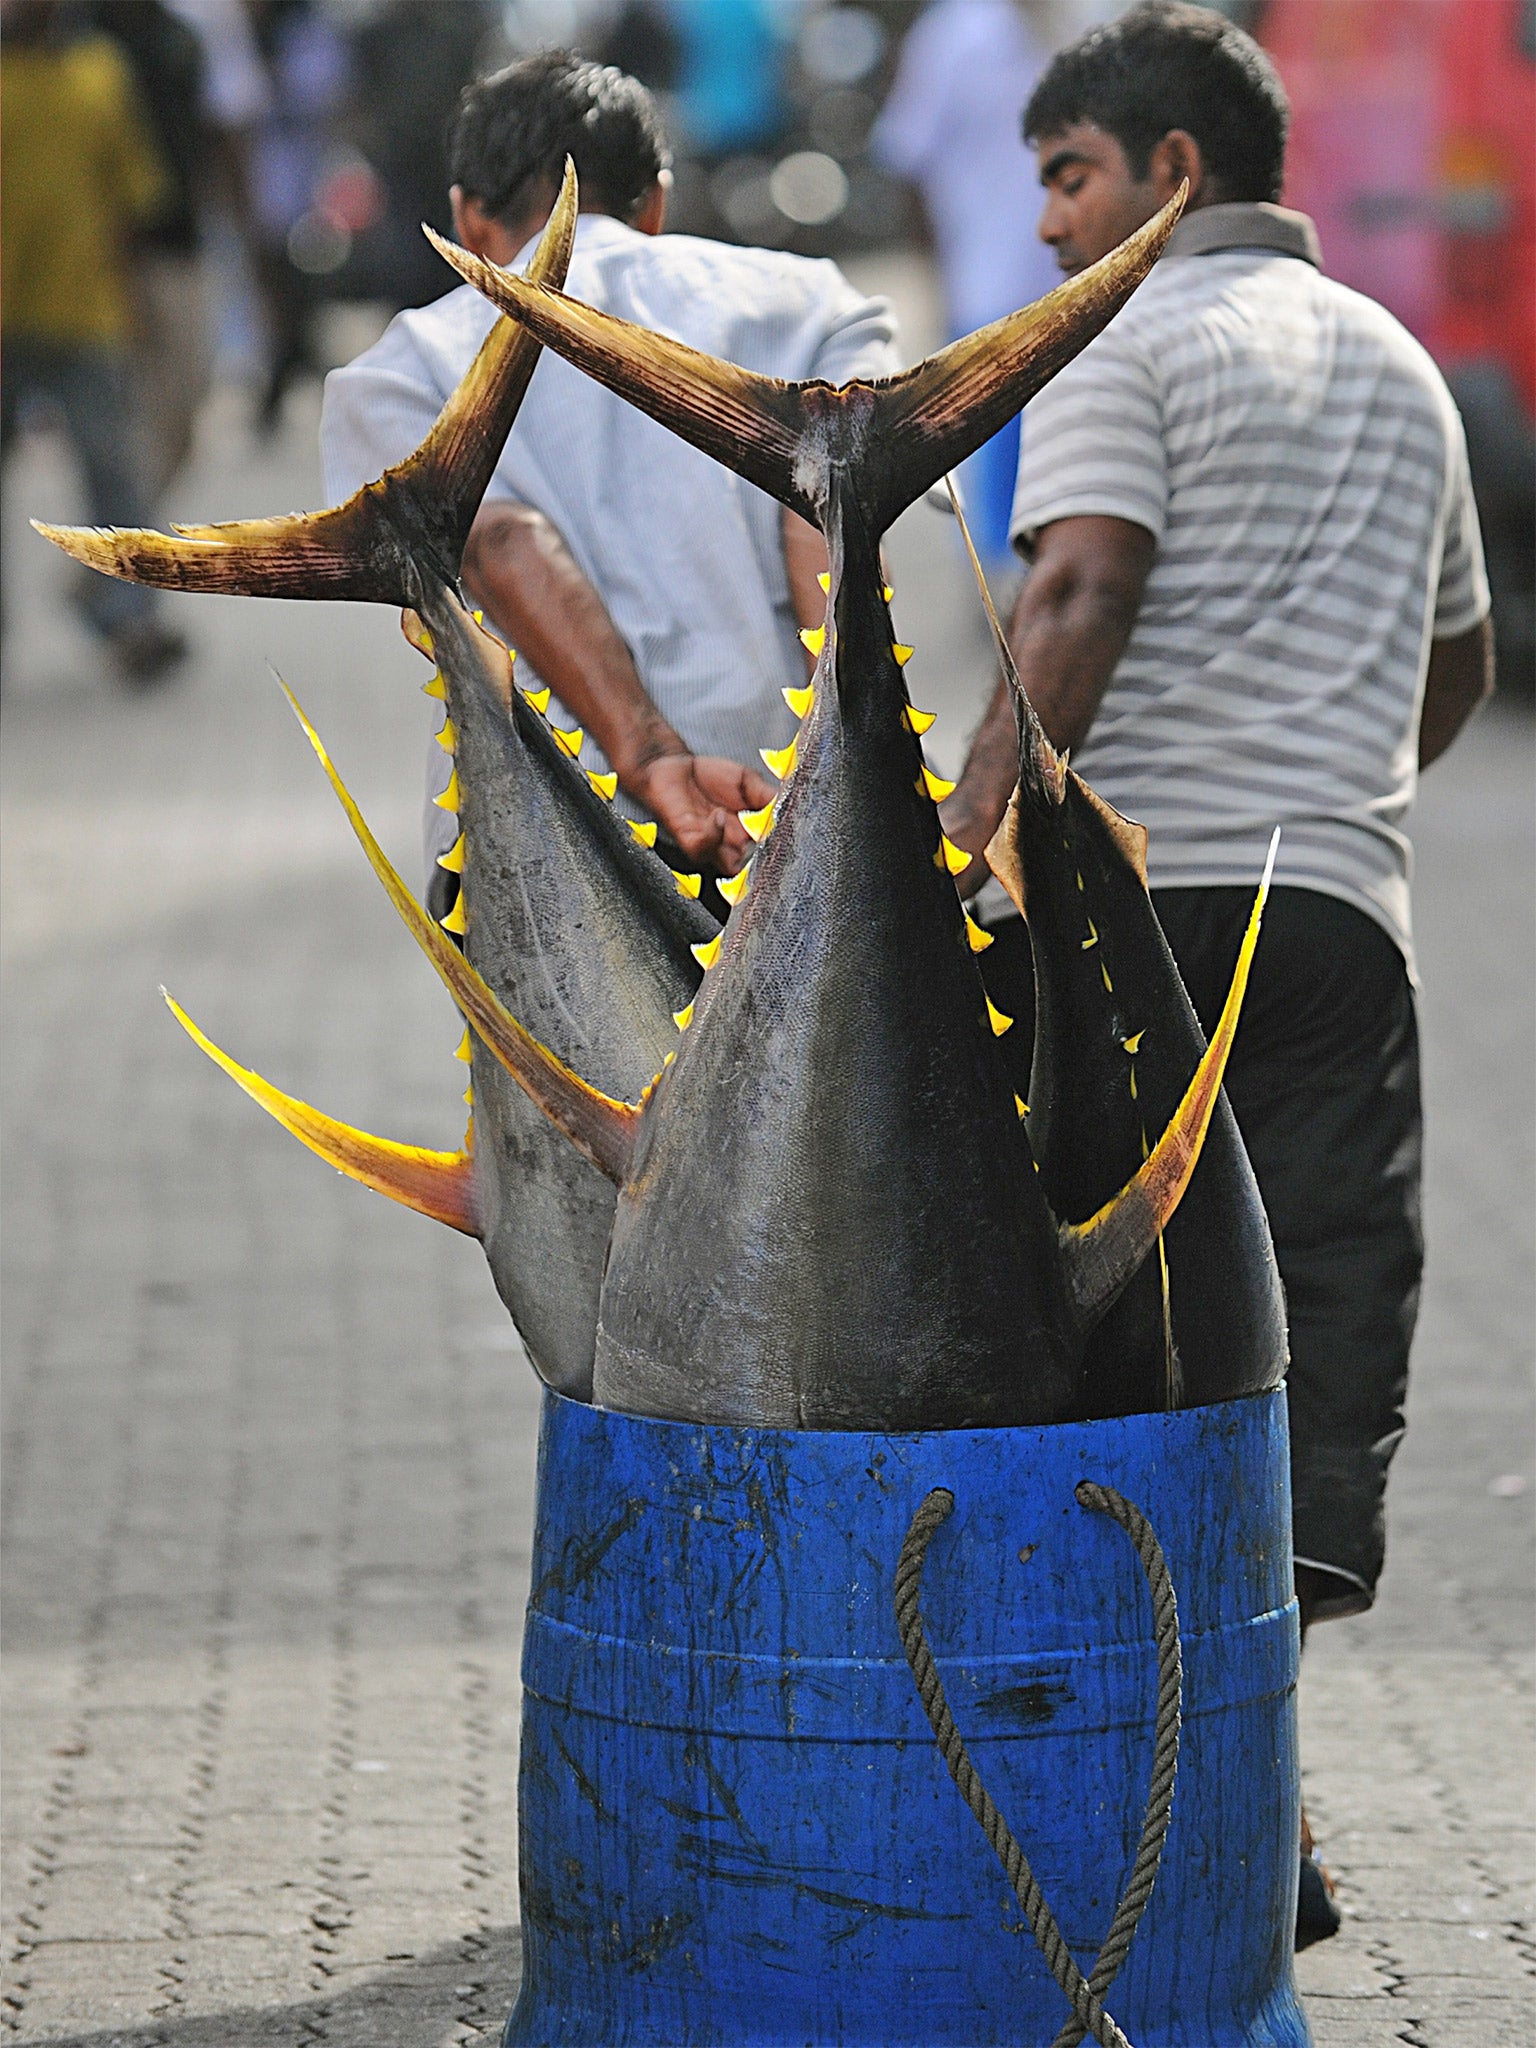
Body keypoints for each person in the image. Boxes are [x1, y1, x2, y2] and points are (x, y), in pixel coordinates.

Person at [939, 0, 1493, 1944]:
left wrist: (967, 847)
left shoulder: (1122, 338)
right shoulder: (1405, 368)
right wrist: (1321, 789)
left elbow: (1079, 586)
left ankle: (1125, 1805)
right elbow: (1456, 671)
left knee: (1109, 1356)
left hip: (1143, 924)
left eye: (1072, 179)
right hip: (1342, 928)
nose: (1050, 234)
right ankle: (1264, 1801)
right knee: (1298, 1366)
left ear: (1173, 169)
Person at [320, 49, 898, 908]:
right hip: (790, 815)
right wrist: (848, 771)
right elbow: (828, 519)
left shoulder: (402, 368)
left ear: (467, 220)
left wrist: (649, 757)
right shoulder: (814, 300)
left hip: (543, 842)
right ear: (656, 200)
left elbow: (501, 544)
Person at [1, 0, 187, 682]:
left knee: (115, 472)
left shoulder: (98, 72)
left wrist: (136, 303)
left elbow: (128, 196)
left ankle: (133, 620)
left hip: (85, 311)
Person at [872, 0, 1059, 568]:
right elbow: (908, 158)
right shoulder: (952, 35)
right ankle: (1003, 617)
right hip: (987, 292)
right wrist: (942, 276)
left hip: (1077, 290)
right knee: (993, 478)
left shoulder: (1083, 18)